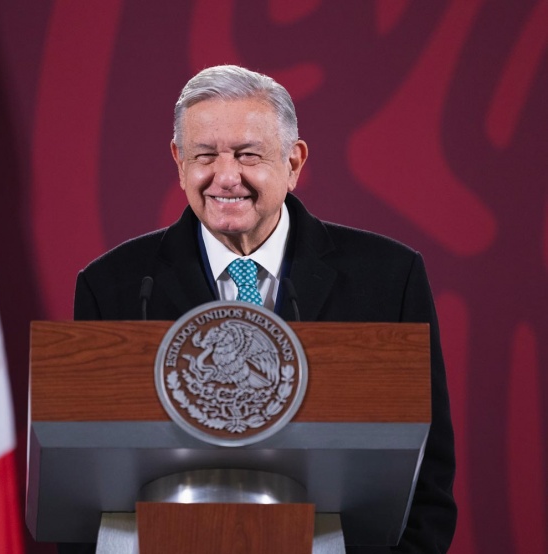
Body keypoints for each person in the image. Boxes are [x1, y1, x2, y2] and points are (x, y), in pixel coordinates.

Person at [73, 65, 456, 553]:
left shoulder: (387, 278)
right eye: (205, 155)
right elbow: (83, 485)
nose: (225, 177)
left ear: (293, 162)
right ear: (179, 161)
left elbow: (428, 476)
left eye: (247, 154)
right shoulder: (115, 288)